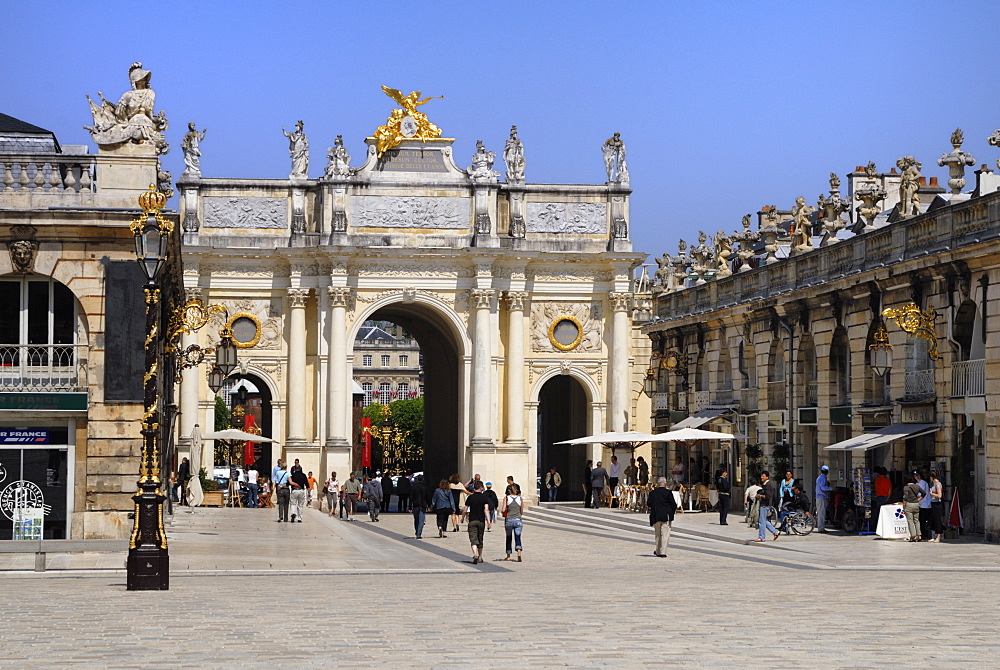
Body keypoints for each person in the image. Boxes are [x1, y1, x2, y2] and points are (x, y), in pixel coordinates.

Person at [648, 477, 678, 556]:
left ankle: (658, 551)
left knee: (657, 534)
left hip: (656, 516)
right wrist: (671, 512)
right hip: (666, 515)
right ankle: (663, 551)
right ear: (665, 483)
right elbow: (673, 504)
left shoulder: (653, 493)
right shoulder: (668, 492)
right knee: (665, 534)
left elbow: (648, 503)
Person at [464, 481, 490, 564]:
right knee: (480, 538)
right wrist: (489, 521)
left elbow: (465, 509)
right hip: (481, 521)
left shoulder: (470, 497)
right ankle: (480, 556)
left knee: (473, 539)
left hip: (472, 520)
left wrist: (462, 518)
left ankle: (475, 554)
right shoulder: (484, 498)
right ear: (481, 487)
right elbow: (486, 510)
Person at [753, 471, 780, 543]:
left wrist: (760, 496)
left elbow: (768, 496)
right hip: (766, 504)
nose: (762, 477)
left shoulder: (768, 485)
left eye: (763, 476)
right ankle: (775, 532)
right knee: (764, 520)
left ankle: (761, 537)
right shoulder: (766, 484)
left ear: (767, 477)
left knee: (761, 522)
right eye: (761, 476)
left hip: (765, 504)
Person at [501, 483, 524, 561]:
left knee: (509, 538)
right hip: (518, 519)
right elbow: (521, 511)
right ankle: (519, 553)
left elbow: (503, 509)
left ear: (509, 490)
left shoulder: (506, 498)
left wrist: (503, 512)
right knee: (518, 537)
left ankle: (508, 555)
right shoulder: (520, 498)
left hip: (509, 520)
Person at [901, 473, 925, 541]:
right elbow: (924, 493)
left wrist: (904, 505)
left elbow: (905, 497)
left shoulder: (906, 487)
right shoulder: (916, 486)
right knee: (917, 520)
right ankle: (919, 535)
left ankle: (913, 536)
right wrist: (919, 499)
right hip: (916, 504)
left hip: (909, 504)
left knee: (910, 521)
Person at [410, 474, 429, 539]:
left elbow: (411, 497)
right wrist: (429, 505)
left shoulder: (413, 486)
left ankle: (417, 531)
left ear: (417, 479)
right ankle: (419, 534)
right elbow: (427, 497)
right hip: (423, 505)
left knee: (416, 519)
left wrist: (410, 507)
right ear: (423, 479)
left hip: (415, 504)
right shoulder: (425, 487)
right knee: (421, 520)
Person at [815, 465, 833, 533]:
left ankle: (820, 526)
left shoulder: (819, 477)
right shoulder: (822, 478)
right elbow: (822, 487)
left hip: (819, 497)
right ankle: (821, 528)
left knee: (820, 513)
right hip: (821, 497)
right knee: (821, 513)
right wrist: (831, 488)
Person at [928, 472, 945, 543]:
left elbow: (939, 495)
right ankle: (934, 535)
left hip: (937, 503)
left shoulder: (938, 484)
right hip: (933, 503)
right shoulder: (933, 484)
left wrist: (932, 494)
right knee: (933, 519)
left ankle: (938, 536)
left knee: (938, 520)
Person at [915, 470, 932, 540]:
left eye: (917, 475)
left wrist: (915, 500)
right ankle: (922, 534)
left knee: (923, 521)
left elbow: (921, 494)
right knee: (921, 521)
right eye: (915, 476)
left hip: (925, 505)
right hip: (921, 505)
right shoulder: (917, 484)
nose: (917, 477)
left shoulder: (922, 483)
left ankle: (923, 535)